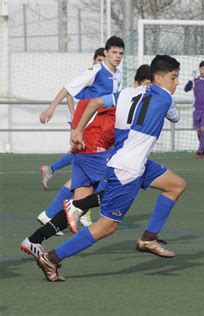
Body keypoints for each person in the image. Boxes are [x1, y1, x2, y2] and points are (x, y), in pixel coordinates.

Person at [35, 55, 186, 282]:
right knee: (106, 227)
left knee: (176, 185)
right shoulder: (165, 97)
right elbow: (175, 118)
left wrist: (78, 131)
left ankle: (148, 238)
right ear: (158, 77)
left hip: (130, 161)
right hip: (128, 170)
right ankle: (52, 258)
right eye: (174, 77)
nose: (176, 83)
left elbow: (94, 103)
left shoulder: (126, 93)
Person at [20, 65, 151, 260]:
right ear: (136, 84)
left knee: (78, 204)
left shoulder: (137, 100)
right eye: (146, 85)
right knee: (122, 181)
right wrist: (76, 130)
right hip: (92, 149)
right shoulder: (123, 96)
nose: (148, 90)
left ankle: (35, 239)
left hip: (88, 151)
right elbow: (89, 103)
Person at [35, 38, 123, 231]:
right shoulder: (96, 71)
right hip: (87, 132)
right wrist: (51, 108)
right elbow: (69, 87)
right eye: (114, 52)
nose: (117, 57)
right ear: (106, 53)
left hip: (102, 132)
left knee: (81, 181)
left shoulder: (118, 74)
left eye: (120, 53)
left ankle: (52, 218)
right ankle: (76, 209)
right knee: (113, 177)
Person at [39, 48, 106, 191]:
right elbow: (69, 91)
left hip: (95, 122)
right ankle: (73, 202)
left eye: (103, 60)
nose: (101, 63)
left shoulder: (106, 76)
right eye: (99, 60)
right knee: (86, 158)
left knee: (79, 155)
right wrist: (73, 114)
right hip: (84, 122)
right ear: (94, 60)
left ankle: (50, 170)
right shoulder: (91, 73)